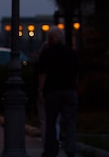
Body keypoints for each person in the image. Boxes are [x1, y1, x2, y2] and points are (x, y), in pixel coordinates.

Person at [37, 26, 78, 157]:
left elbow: (43, 73)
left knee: (51, 122)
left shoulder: (47, 53)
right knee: (70, 122)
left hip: (52, 92)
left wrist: (40, 90)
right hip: (69, 91)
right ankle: (70, 149)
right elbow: (76, 72)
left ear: (50, 39)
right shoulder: (70, 52)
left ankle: (51, 150)